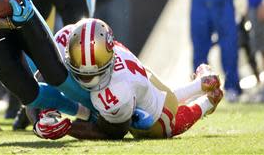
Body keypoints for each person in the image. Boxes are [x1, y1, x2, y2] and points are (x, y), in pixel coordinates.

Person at [32, 18, 223, 140]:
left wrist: (68, 128)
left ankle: (207, 102)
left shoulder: (115, 91)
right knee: (155, 98)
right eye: (81, 72)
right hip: (146, 82)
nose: (86, 78)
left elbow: (112, 132)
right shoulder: (101, 45)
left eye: (93, 73)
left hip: (153, 111)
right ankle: (200, 84)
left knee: (167, 127)